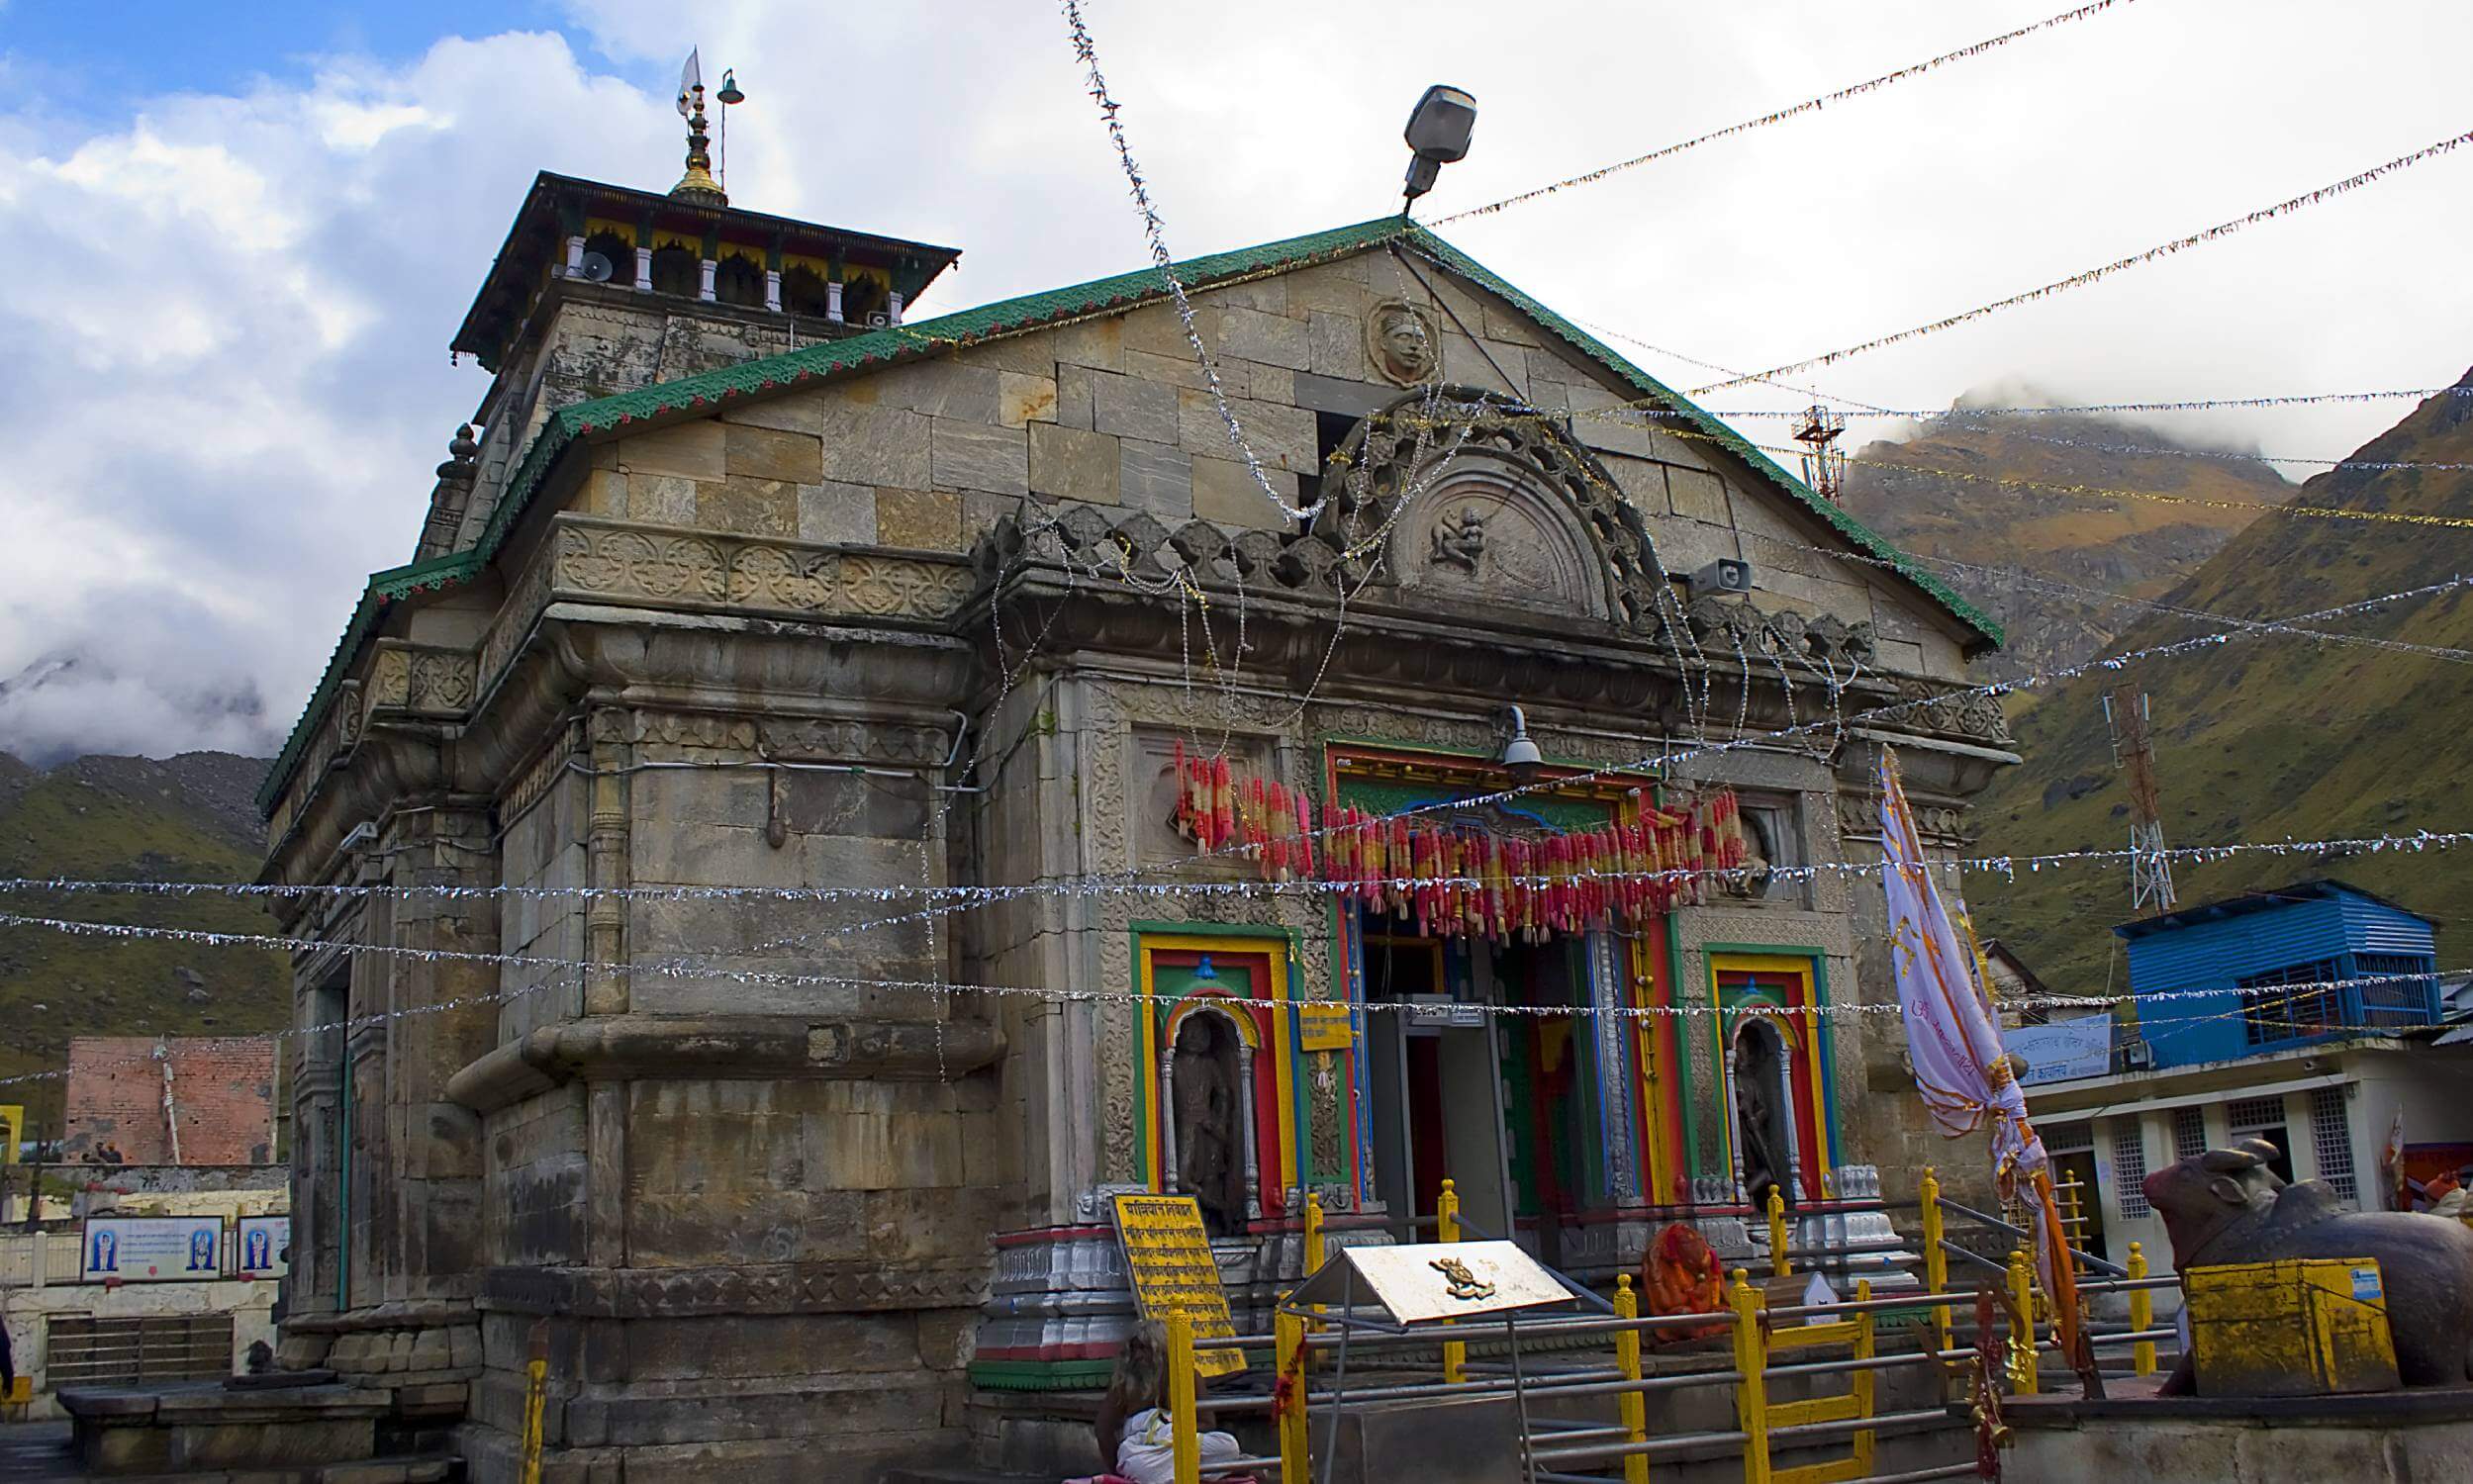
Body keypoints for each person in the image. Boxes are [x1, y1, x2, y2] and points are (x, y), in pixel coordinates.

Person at [1091, 1321, 1242, 1484]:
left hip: (1182, 1444)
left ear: (1162, 1350)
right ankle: (1188, 1472)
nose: (1138, 1355)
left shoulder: (1188, 1375)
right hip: (1145, 1452)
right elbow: (1102, 1429)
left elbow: (1207, 1422)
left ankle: (1175, 1472)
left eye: (1145, 1348)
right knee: (1143, 1466)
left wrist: (1169, 1432)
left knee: (1228, 1446)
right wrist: (1117, 1468)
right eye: (1134, 1348)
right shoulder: (1124, 1382)